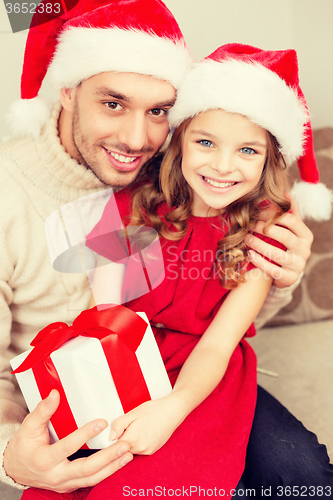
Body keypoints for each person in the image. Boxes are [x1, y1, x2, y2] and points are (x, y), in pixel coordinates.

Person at [0, 0, 320, 493]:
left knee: (302, 476)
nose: (135, 137)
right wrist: (12, 454)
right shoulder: (28, 196)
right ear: (66, 90)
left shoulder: (168, 176)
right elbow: (104, 311)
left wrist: (281, 274)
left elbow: (220, 326)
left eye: (158, 112)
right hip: (96, 375)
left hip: (195, 374)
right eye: (113, 102)